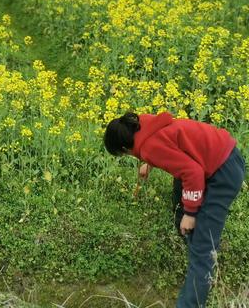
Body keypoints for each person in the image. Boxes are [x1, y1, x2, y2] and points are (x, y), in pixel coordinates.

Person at [104, 111, 246, 308]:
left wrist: (190, 213)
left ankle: (199, 272)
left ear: (124, 147)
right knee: (181, 207)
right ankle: (196, 247)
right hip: (219, 153)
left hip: (222, 171)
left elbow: (192, 172)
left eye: (124, 154)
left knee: (201, 249)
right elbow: (167, 142)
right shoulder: (143, 123)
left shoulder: (150, 148)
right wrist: (149, 163)